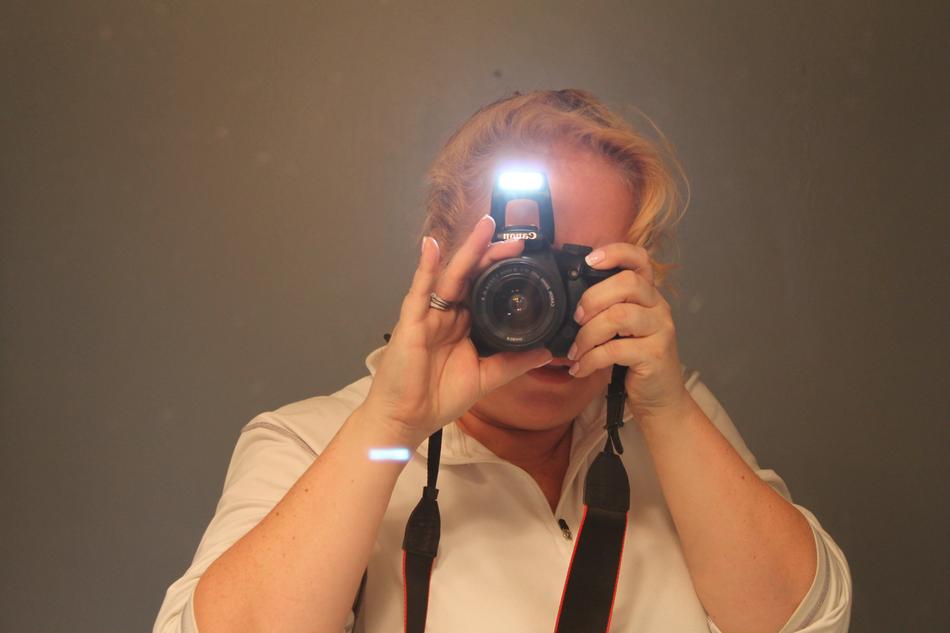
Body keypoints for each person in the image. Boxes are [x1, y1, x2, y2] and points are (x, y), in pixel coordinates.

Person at [153, 89, 852, 633]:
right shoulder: (315, 442)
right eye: (516, 267)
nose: (542, 300)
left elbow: (807, 619)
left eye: (581, 270)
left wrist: (664, 410)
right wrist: (392, 424)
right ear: (442, 258)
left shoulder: (664, 418)